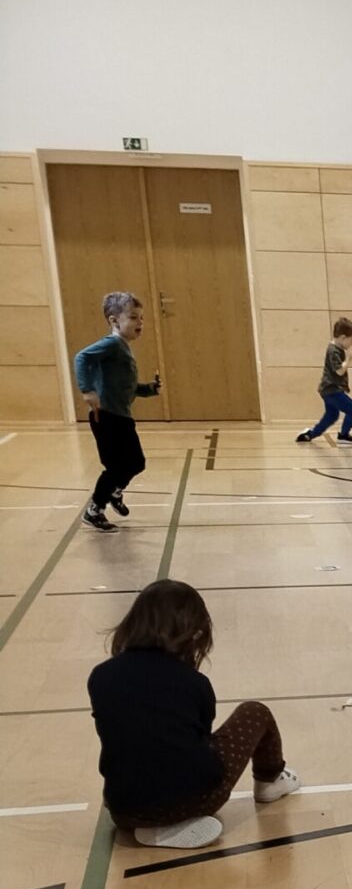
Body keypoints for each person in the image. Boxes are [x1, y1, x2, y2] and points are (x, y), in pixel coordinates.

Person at [87, 579, 299, 850]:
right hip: (191, 802)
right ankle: (270, 781)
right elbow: (200, 743)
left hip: (123, 808)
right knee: (255, 712)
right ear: (195, 634)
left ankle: (152, 825)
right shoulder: (193, 683)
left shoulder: (101, 677)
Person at [74, 291, 161, 530]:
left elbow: (128, 387)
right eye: (133, 317)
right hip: (106, 417)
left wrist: (149, 389)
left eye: (141, 318)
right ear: (114, 321)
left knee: (136, 463)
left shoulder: (123, 348)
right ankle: (95, 509)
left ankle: (114, 491)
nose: (139, 322)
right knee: (115, 466)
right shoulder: (111, 344)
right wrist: (87, 390)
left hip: (122, 417)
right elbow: (81, 358)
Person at [297, 318, 352, 445]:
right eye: (351, 340)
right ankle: (344, 435)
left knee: (331, 416)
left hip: (329, 390)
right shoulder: (333, 351)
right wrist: (349, 358)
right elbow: (339, 371)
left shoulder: (336, 349)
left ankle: (310, 435)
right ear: (343, 337)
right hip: (332, 390)